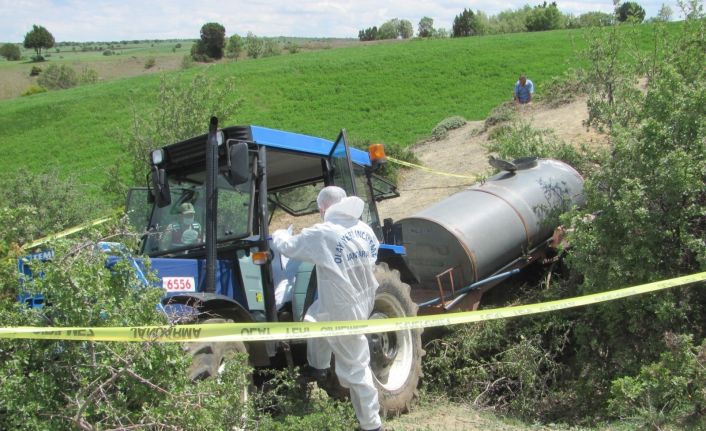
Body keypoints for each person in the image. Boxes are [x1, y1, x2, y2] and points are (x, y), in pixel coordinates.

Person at [270, 186, 382, 431]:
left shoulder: (323, 232)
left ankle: (372, 425)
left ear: (322, 208)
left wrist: (277, 233)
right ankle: (317, 367)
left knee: (356, 368)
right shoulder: (364, 230)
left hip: (345, 309)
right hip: (361, 298)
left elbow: (288, 246)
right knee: (315, 316)